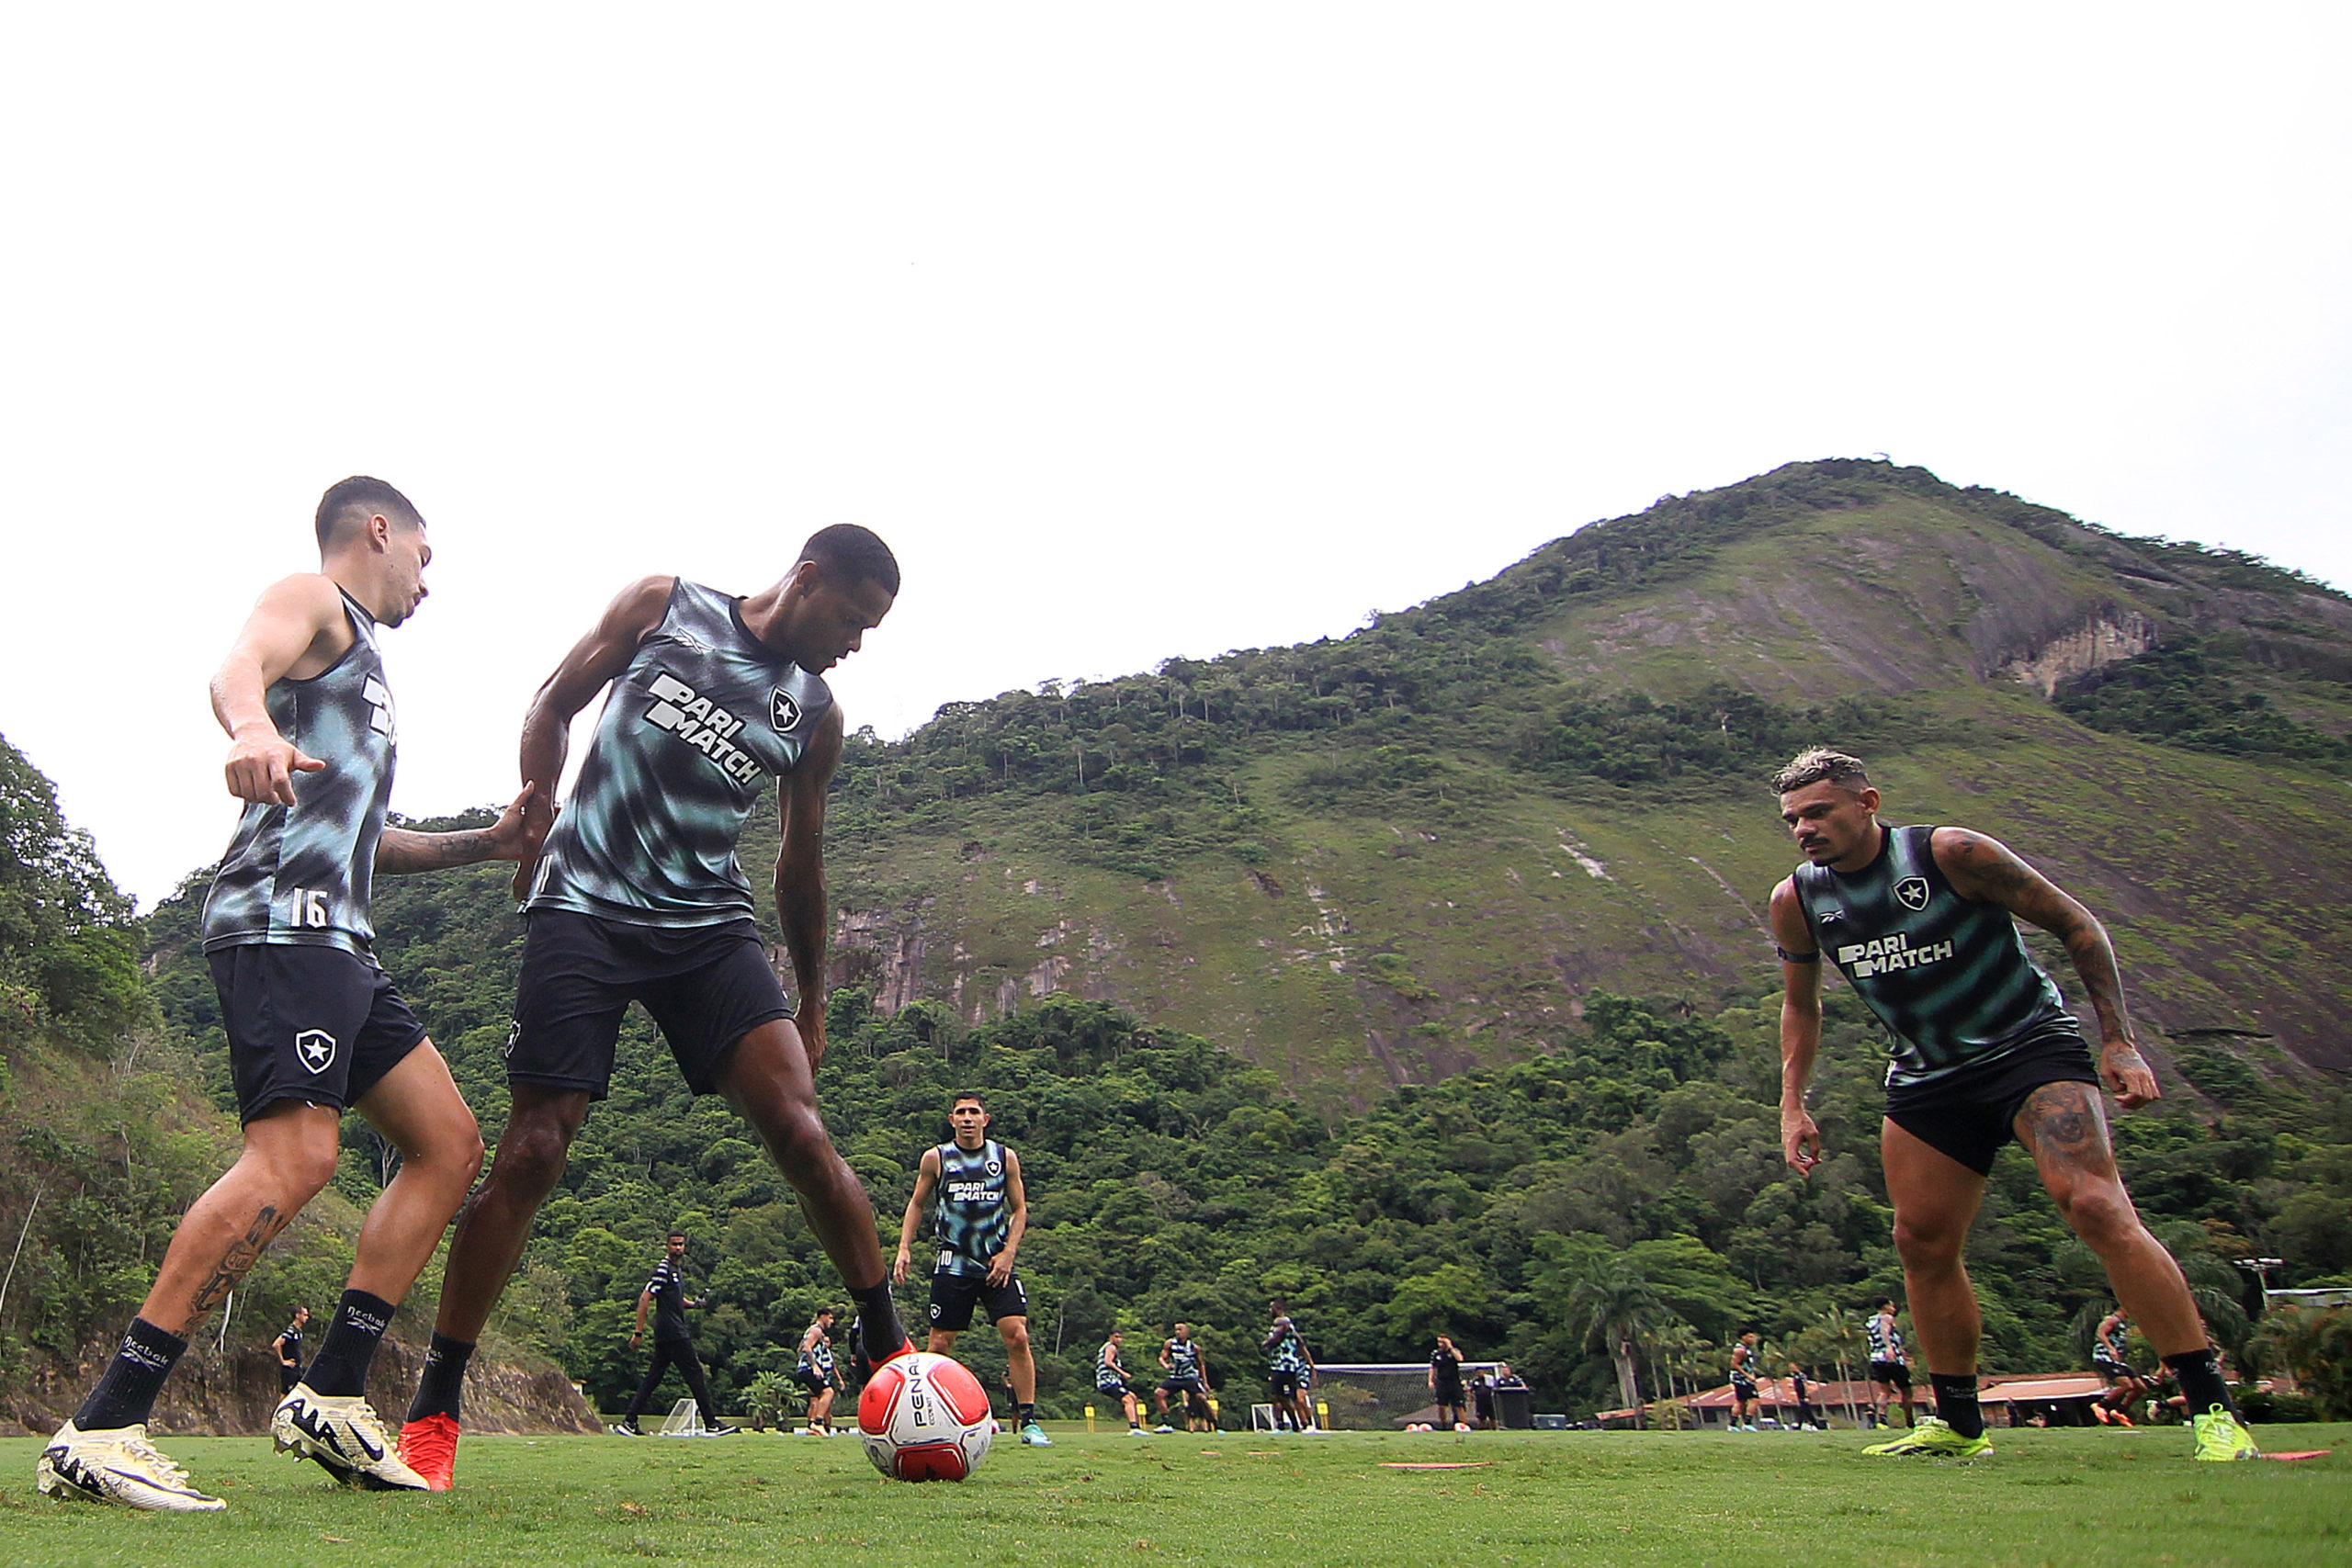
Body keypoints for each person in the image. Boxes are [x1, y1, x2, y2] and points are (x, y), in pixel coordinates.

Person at [37, 479, 538, 1512]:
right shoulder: (311, 598)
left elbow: (366, 840)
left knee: (448, 1145)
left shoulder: (365, 670)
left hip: (340, 938)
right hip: (280, 925)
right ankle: (105, 1422)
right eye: (426, 562)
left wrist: (483, 846)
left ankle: (334, 1393)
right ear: (379, 531)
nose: (427, 586)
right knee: (297, 1156)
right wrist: (247, 728)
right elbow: (234, 664)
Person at [396, 527, 912, 1491]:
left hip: (708, 930)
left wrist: (811, 1001)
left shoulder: (814, 712)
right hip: (585, 908)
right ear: (806, 580)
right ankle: (434, 1401)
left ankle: (892, 1355)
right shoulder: (664, 606)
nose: (854, 643)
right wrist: (536, 811)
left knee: (802, 1133)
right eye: (851, 619)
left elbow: (800, 865)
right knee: (534, 1149)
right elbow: (552, 703)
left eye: (869, 630)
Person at [1770, 749, 2260, 1462]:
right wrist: (1792, 1104)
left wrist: (2119, 1042)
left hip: (2027, 1050)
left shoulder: (1950, 853)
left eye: (1818, 811)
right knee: (1920, 1241)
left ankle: (2213, 1409)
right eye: (1792, 819)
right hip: (1928, 1074)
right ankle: (1959, 1424)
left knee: (2093, 1205)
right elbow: (1800, 1006)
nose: (1804, 829)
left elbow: (2077, 923)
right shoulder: (1798, 899)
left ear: (1867, 802)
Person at [892, 1090, 1049, 1448]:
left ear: (985, 1119)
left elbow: (1020, 1209)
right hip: (954, 1263)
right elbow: (917, 1204)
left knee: (1018, 1335)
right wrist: (904, 1248)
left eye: (973, 1112)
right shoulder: (937, 1158)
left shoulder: (1004, 1157)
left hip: (996, 1263)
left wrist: (1009, 1253)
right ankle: (927, 1420)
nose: (967, 1118)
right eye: (960, 1112)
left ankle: (1029, 1422)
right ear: (951, 1120)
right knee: (940, 1344)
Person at [615, 1233, 736, 1437]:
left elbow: (676, 1298)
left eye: (681, 1244)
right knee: (695, 1373)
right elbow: (645, 1298)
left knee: (653, 1377)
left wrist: (694, 1304)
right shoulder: (663, 1269)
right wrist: (638, 1332)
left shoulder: (675, 1271)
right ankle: (711, 1423)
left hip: (667, 1331)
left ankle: (629, 1421)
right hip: (673, 1331)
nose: (678, 1248)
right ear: (667, 1246)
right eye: (674, 1244)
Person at [1864, 1297, 1915, 1427]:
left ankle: (1881, 1418)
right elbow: (1884, 1331)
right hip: (1891, 1359)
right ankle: (1910, 1421)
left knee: (1885, 1391)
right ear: (1885, 1307)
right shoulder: (1886, 1318)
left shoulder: (1871, 1320)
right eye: (1892, 1306)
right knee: (1907, 1391)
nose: (1894, 1309)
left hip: (1876, 1358)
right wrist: (1889, 1347)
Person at [1155, 1324, 1214, 1433]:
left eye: (1180, 1330)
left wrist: (1205, 1382)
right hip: (1176, 1377)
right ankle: (1166, 1423)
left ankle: (1213, 1421)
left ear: (1187, 1332)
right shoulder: (1170, 1344)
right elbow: (1162, 1358)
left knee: (1202, 1398)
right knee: (1159, 1393)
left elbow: (1201, 1365)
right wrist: (1166, 1365)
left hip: (1190, 1378)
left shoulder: (1194, 1347)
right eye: (1176, 1330)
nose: (1177, 1332)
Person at [2090, 1308, 2143, 1427]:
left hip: (2118, 1361)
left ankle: (2119, 1411)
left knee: (2140, 1387)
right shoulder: (2112, 1319)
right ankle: (2099, 1405)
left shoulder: (2122, 1324)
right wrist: (2110, 1348)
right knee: (2126, 1385)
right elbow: (2100, 1333)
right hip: (2104, 1357)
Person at [795, 1307, 842, 1435]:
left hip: (806, 1368)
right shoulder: (816, 1330)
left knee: (819, 1397)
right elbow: (807, 1348)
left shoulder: (817, 1332)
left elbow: (800, 1348)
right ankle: (818, 1423)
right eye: (830, 1318)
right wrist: (814, 1365)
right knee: (829, 1392)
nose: (832, 1321)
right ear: (823, 1316)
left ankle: (812, 1427)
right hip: (809, 1369)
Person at [1096, 1329, 1146, 1435]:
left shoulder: (1107, 1348)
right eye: (1116, 1337)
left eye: (1120, 1337)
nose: (1119, 1340)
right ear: (1110, 1337)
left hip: (1114, 1381)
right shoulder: (1111, 1347)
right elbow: (1108, 1362)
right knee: (1127, 1400)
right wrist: (1123, 1373)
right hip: (1108, 1381)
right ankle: (1134, 1428)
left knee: (1133, 1397)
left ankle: (1138, 1427)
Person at [1429, 1333, 1467, 1431]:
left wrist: (1450, 1347)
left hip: (1454, 1381)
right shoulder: (1436, 1354)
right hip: (1442, 1381)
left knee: (1459, 1405)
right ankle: (1444, 1425)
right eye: (1439, 1342)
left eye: (1443, 1342)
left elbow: (1460, 1359)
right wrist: (1431, 1380)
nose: (1440, 1344)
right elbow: (1433, 1368)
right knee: (1441, 1405)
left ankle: (1463, 1426)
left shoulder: (1454, 1351)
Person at [270, 1306, 311, 1397]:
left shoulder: (298, 1331)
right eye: (305, 1315)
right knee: (285, 1394)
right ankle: (277, 1411)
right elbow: (276, 1344)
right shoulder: (291, 1330)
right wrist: (283, 1361)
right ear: (297, 1315)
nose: (307, 1317)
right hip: (290, 1369)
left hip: (296, 1368)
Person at [1728, 1333, 1762, 1432]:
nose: (1753, 1339)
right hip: (1741, 1379)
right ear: (1743, 1337)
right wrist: (1748, 1376)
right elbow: (1734, 1364)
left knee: (1741, 1401)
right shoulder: (1740, 1350)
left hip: (1744, 1378)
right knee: (1755, 1399)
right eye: (1750, 1337)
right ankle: (1747, 1423)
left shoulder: (1747, 1349)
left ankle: (1732, 1424)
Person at [1787, 1360, 1821, 1431]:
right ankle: (1816, 1425)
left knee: (1802, 1411)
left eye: (1792, 1367)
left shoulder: (1801, 1375)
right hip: (1799, 1395)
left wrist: (1806, 1396)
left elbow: (1805, 1385)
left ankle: (1801, 1425)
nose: (1791, 1369)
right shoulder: (1795, 1376)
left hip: (1803, 1395)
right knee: (1806, 1411)